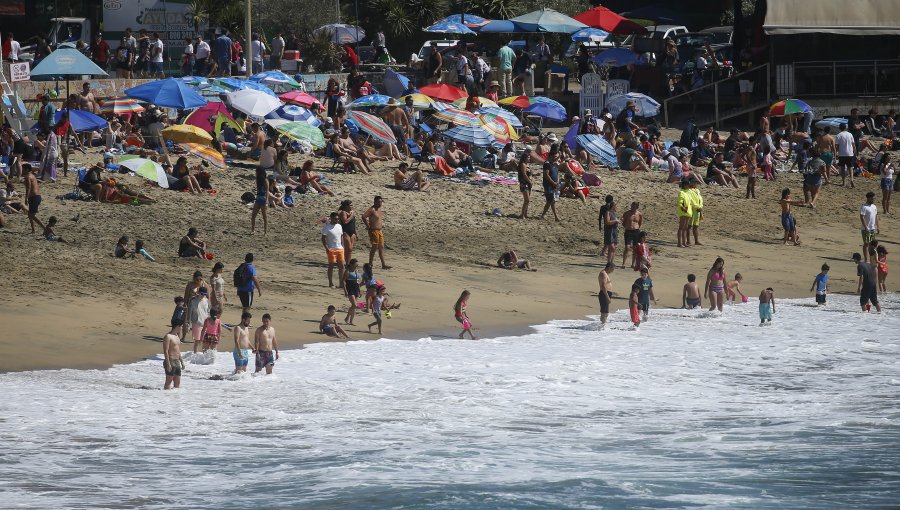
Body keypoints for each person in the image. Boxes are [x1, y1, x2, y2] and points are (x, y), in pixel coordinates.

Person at [363, 195, 391, 269]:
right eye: (378, 202)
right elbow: (363, 217)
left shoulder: (379, 209)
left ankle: (383, 264)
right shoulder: (372, 209)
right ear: (375, 201)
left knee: (381, 247)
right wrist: (368, 226)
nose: (380, 203)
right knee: (374, 247)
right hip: (373, 230)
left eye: (381, 202)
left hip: (379, 230)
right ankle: (370, 263)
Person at [322, 212, 346, 289]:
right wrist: (326, 248)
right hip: (331, 249)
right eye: (335, 218)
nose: (337, 220)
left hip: (340, 249)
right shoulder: (327, 227)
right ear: (331, 218)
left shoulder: (339, 226)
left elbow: (341, 236)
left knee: (341, 266)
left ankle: (341, 283)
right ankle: (330, 283)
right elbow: (323, 238)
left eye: (338, 218)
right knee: (331, 266)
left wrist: (343, 245)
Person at [539, 145, 561, 222]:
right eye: (556, 156)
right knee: (550, 201)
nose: (557, 157)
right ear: (551, 156)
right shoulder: (547, 163)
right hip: (548, 185)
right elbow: (546, 174)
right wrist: (553, 183)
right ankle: (555, 216)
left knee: (551, 201)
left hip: (554, 184)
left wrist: (557, 182)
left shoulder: (555, 164)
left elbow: (557, 173)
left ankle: (546, 215)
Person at [22, 164, 45, 234]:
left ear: (26, 169)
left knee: (31, 215)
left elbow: (28, 188)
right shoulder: (32, 175)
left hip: (34, 197)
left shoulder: (28, 177)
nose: (22, 170)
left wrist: (26, 198)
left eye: (23, 169)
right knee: (30, 214)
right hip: (36, 197)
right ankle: (33, 230)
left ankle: (44, 228)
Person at [620, 202, 643, 268]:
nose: (632, 208)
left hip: (636, 231)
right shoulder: (627, 213)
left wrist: (637, 227)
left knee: (635, 248)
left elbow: (640, 222)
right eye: (632, 206)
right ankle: (623, 263)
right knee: (627, 247)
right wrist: (627, 227)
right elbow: (623, 222)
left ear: (637, 207)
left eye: (634, 206)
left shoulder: (639, 214)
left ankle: (633, 264)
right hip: (628, 231)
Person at [163, 319, 184, 390]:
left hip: (177, 361)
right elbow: (165, 351)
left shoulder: (177, 336)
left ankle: (174, 398)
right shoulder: (168, 336)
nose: (182, 328)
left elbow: (178, 350)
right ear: (177, 326)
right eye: (181, 326)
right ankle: (165, 396)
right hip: (170, 360)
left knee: (177, 382)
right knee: (169, 381)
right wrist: (168, 363)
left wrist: (182, 362)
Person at [188, 287, 211, 353]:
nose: (203, 295)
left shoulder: (206, 300)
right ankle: (195, 354)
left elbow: (208, 311)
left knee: (205, 340)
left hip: (205, 323)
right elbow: (189, 313)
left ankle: (204, 354)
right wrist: (188, 324)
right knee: (197, 340)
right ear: (198, 293)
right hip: (196, 323)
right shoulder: (193, 300)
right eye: (202, 294)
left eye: (204, 294)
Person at [860, 191, 880, 262]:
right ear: (868, 198)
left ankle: (872, 258)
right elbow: (862, 217)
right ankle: (866, 259)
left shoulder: (874, 206)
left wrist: (878, 226)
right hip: (866, 229)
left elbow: (876, 216)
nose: (873, 200)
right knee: (866, 243)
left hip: (872, 228)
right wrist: (866, 228)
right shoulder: (864, 207)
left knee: (872, 244)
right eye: (872, 198)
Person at [599, 195, 619, 264]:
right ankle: (608, 260)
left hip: (613, 229)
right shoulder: (608, 210)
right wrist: (616, 221)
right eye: (616, 206)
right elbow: (606, 221)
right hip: (609, 229)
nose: (617, 207)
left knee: (612, 245)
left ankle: (610, 260)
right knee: (610, 245)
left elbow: (600, 217)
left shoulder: (613, 212)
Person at [835, 123, 856, 188]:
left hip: (842, 154)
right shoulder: (850, 134)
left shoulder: (838, 135)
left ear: (839, 128)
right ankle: (852, 179)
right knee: (850, 167)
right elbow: (853, 145)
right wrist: (855, 152)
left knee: (843, 168)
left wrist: (836, 153)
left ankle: (844, 182)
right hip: (850, 153)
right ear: (846, 127)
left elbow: (837, 146)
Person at [251, 165, 269, 235]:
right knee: (253, 216)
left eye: (256, 172)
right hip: (258, 199)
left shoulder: (265, 180)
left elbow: (267, 191)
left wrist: (267, 201)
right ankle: (253, 230)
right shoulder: (258, 180)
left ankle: (265, 232)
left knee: (264, 216)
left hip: (263, 199)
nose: (256, 173)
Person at [344, 258, 362, 325]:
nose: (357, 265)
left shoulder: (356, 272)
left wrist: (359, 291)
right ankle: (347, 317)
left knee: (354, 306)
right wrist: (345, 291)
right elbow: (343, 281)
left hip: (356, 289)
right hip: (350, 289)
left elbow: (357, 282)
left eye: (357, 264)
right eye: (355, 264)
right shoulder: (347, 271)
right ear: (351, 264)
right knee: (354, 305)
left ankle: (351, 321)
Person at [598, 261, 615, 326]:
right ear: (609, 267)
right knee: (604, 312)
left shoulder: (605, 274)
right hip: (604, 294)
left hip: (606, 293)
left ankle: (602, 325)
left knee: (606, 312)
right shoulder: (603, 274)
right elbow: (603, 286)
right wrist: (607, 297)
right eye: (612, 269)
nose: (612, 271)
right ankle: (601, 326)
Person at [517, 150, 533, 219]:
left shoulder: (527, 165)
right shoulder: (523, 164)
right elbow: (524, 174)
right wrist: (529, 181)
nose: (529, 158)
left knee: (528, 200)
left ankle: (525, 214)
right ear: (524, 158)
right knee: (527, 200)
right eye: (528, 157)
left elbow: (529, 174)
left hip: (528, 183)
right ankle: (522, 215)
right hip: (524, 183)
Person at [677, 179, 693, 248]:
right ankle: (679, 243)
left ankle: (684, 242)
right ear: (684, 185)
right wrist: (682, 207)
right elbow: (680, 202)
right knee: (681, 227)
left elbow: (690, 202)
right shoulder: (681, 192)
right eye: (688, 184)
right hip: (683, 211)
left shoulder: (688, 192)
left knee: (685, 228)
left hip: (688, 211)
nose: (689, 186)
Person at [688, 180, 704, 246]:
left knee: (696, 226)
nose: (696, 184)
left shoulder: (697, 190)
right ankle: (688, 241)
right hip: (692, 210)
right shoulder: (689, 191)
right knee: (689, 226)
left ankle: (696, 241)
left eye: (696, 183)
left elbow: (700, 200)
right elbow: (691, 200)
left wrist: (700, 206)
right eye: (694, 182)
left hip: (698, 210)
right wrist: (697, 207)